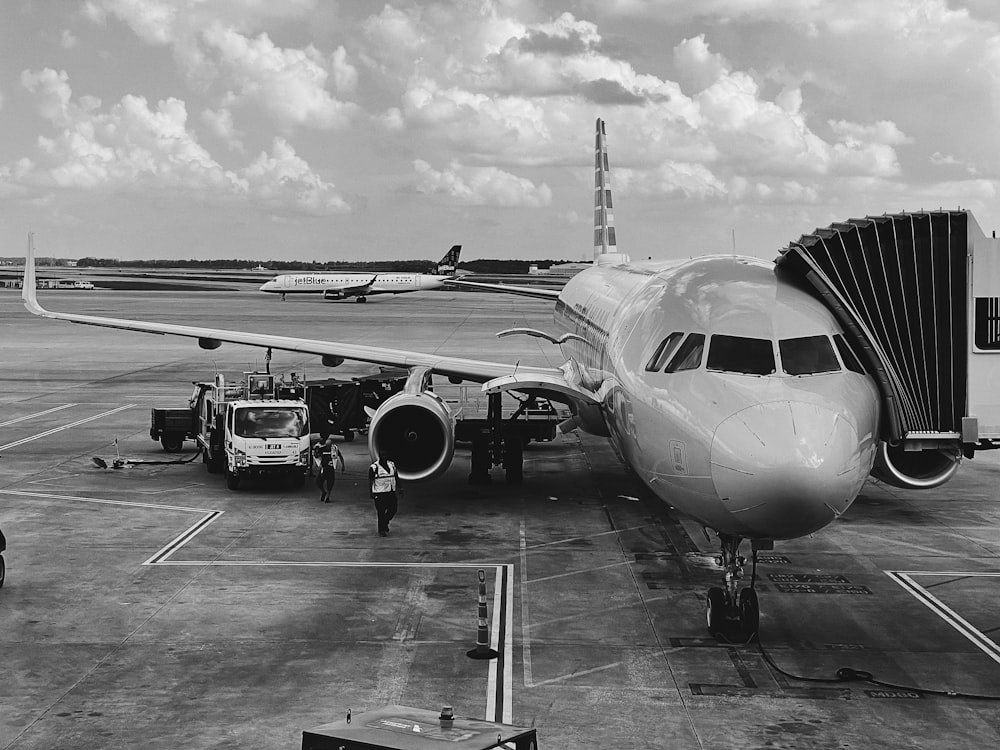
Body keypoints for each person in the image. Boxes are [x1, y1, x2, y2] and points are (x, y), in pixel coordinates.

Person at [369, 451, 400, 536]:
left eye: (385, 455)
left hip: (390, 491)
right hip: (380, 493)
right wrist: (371, 492)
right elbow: (370, 481)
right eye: (382, 455)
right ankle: (382, 530)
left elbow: (396, 476)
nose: (384, 457)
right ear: (379, 456)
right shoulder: (374, 467)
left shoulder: (392, 465)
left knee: (393, 509)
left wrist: (400, 488)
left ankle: (385, 522)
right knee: (381, 512)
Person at [313, 435, 345, 503]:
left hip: (331, 469)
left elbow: (340, 456)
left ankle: (328, 496)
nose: (328, 447)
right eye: (327, 445)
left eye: (329, 445)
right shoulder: (322, 448)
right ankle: (323, 492)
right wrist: (316, 450)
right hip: (323, 468)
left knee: (330, 483)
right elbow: (316, 455)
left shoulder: (334, 449)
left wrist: (343, 465)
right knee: (318, 482)